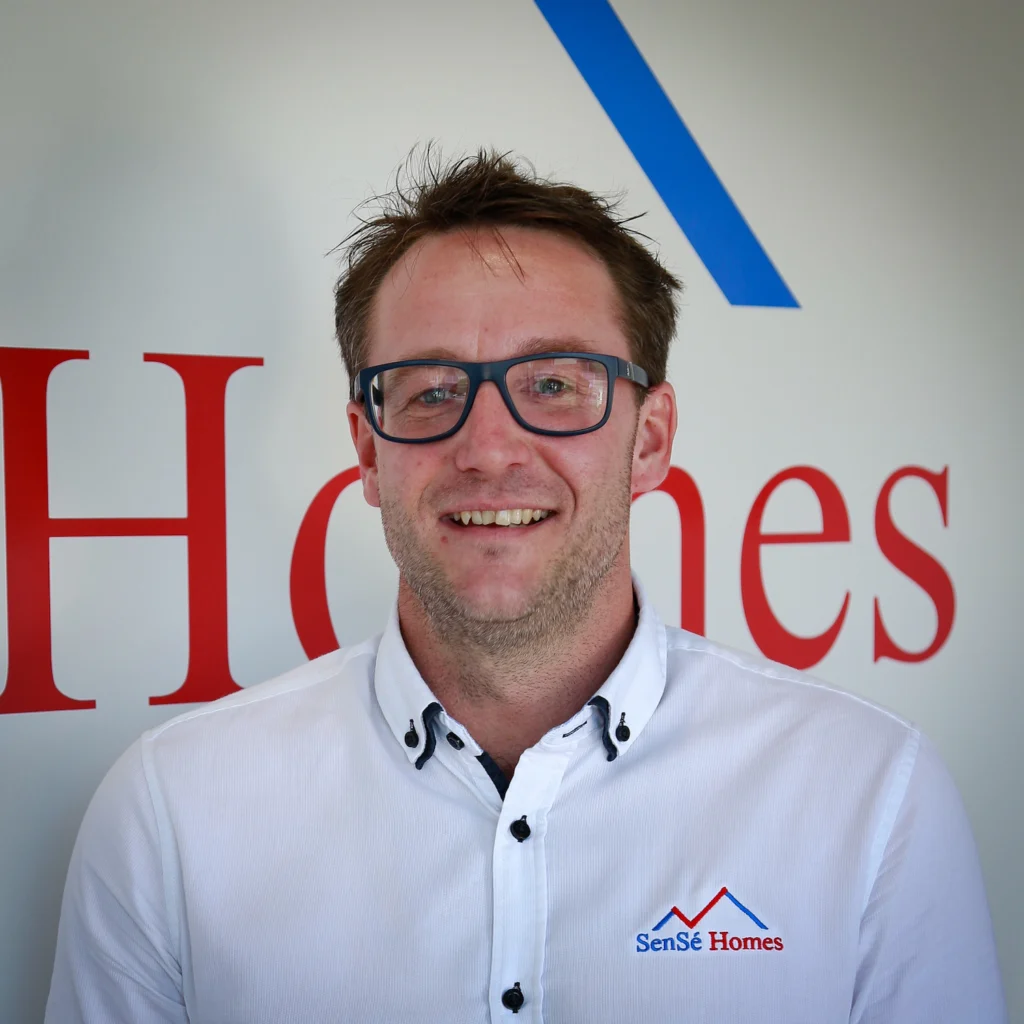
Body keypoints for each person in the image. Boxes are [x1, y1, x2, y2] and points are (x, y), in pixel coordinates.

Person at [46, 150, 1006, 1023]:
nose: (489, 448)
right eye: (430, 390)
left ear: (651, 439)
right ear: (368, 452)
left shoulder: (870, 795)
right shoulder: (172, 812)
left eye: (553, 384)